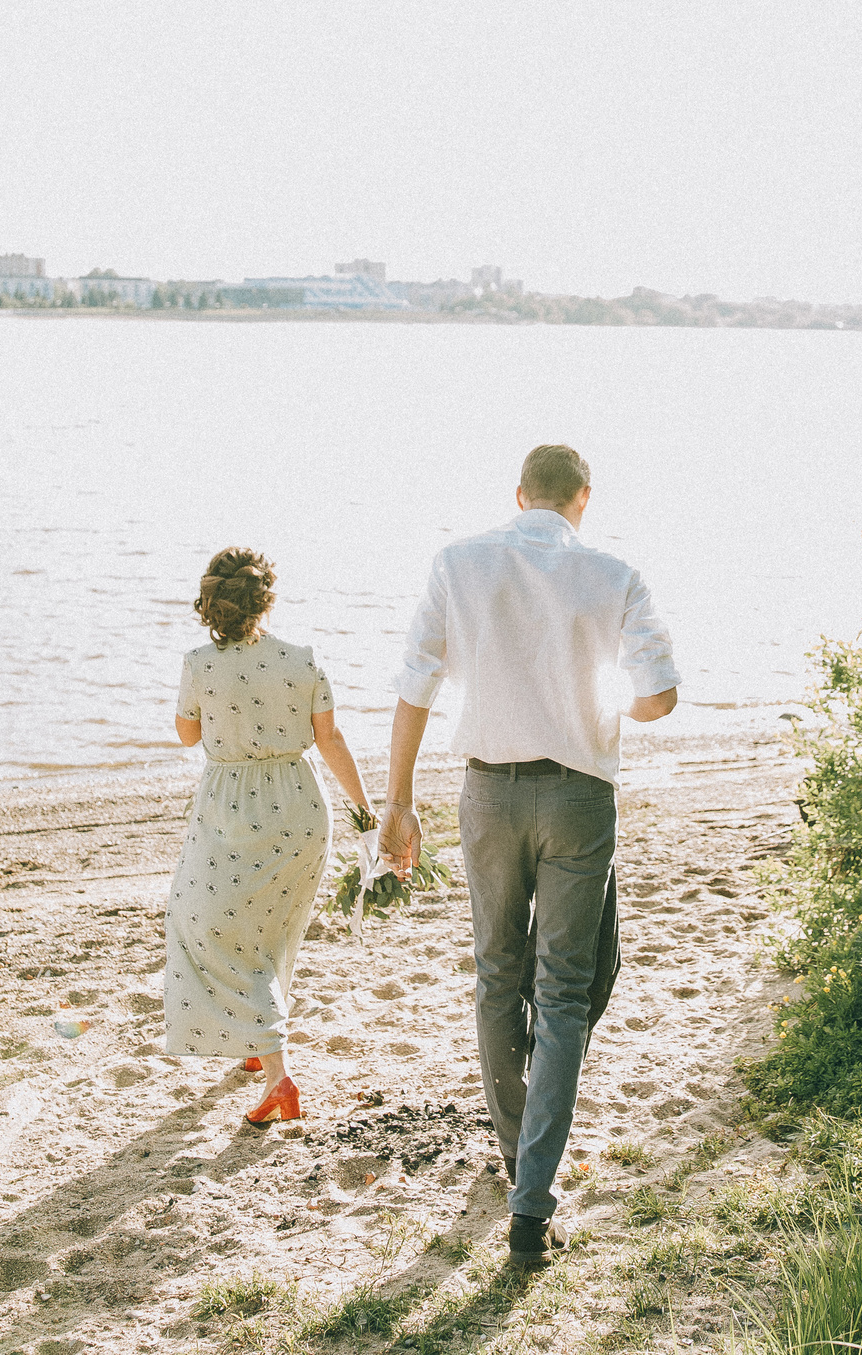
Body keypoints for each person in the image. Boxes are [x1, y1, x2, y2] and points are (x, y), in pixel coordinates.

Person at [378, 445, 680, 1268]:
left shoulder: (457, 561)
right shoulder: (615, 573)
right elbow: (657, 696)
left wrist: (399, 801)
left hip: (488, 794)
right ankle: (531, 1195)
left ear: (519, 496)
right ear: (584, 498)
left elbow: (415, 683)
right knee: (566, 993)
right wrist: (599, 696)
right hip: (578, 797)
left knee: (498, 976)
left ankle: (523, 1167)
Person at [164, 547, 373, 1125]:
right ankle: (258, 1041)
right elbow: (331, 740)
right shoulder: (302, 659)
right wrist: (365, 811)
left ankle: (277, 1073)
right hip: (300, 807)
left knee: (202, 924)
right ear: (265, 601)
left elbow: (187, 736)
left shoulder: (199, 663)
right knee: (274, 929)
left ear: (213, 605)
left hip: (231, 807)